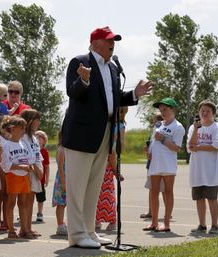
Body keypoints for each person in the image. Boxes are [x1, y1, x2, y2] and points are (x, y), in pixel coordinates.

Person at [61, 26, 152, 248]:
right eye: (109, 40)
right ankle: (76, 234)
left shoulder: (112, 68)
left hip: (104, 134)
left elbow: (114, 98)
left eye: (114, 41)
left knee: (93, 187)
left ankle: (89, 231)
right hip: (81, 135)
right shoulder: (79, 62)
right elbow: (73, 92)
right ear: (95, 43)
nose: (113, 45)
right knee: (77, 188)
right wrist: (83, 80)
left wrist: (134, 95)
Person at [143, 98, 185, 232]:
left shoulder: (178, 127)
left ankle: (166, 223)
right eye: (161, 110)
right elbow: (154, 142)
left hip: (168, 164)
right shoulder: (159, 125)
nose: (163, 112)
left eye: (165, 109)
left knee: (168, 192)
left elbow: (177, 148)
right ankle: (154, 222)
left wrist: (163, 139)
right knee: (153, 192)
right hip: (155, 163)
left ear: (173, 109)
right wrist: (148, 152)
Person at [187, 100, 218, 235]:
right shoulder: (193, 128)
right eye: (202, 110)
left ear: (213, 114)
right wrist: (196, 130)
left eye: (208, 111)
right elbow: (190, 147)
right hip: (197, 171)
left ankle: (215, 226)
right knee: (199, 198)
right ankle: (202, 225)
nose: (204, 113)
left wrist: (198, 147)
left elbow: (216, 146)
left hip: (211, 172)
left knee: (212, 199)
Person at [0, 116, 33, 239]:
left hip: (24, 176)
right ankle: (11, 230)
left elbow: (28, 158)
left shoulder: (23, 144)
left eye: (24, 128)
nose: (23, 131)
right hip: (13, 176)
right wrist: (21, 167)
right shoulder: (6, 145)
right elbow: (5, 164)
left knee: (23, 203)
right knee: (11, 202)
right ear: (12, 129)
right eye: (21, 128)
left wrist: (29, 167)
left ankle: (24, 230)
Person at [95, 106, 128, 231]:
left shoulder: (119, 126)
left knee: (107, 194)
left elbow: (115, 150)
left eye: (122, 112)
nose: (120, 114)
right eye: (118, 111)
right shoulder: (106, 124)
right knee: (96, 192)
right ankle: (96, 219)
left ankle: (112, 220)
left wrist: (115, 171)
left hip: (109, 162)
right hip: (101, 160)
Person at [20, 109, 43, 238]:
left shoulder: (34, 138)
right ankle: (23, 229)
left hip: (35, 172)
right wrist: (34, 166)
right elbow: (24, 155)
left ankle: (28, 227)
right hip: (27, 172)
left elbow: (37, 154)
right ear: (29, 121)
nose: (38, 122)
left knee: (31, 201)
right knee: (24, 202)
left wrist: (40, 169)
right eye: (36, 120)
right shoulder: (22, 137)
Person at [140, 113, 165, 219]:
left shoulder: (163, 132)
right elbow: (151, 145)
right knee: (151, 188)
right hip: (151, 164)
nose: (154, 122)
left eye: (155, 120)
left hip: (160, 164)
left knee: (164, 189)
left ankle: (167, 212)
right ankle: (151, 211)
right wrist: (147, 149)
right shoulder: (153, 132)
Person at [52, 131, 67, 236]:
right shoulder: (62, 150)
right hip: (62, 180)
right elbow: (61, 168)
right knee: (61, 204)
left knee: (66, 203)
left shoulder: (68, 149)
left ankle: (65, 224)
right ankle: (60, 226)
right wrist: (63, 183)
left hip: (68, 179)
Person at [35, 130, 50, 222]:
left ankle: (40, 213)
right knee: (28, 197)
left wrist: (47, 179)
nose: (38, 139)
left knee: (40, 198)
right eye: (37, 136)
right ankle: (23, 214)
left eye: (41, 137)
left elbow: (47, 167)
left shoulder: (44, 152)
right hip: (31, 179)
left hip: (40, 179)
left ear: (44, 141)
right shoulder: (30, 149)